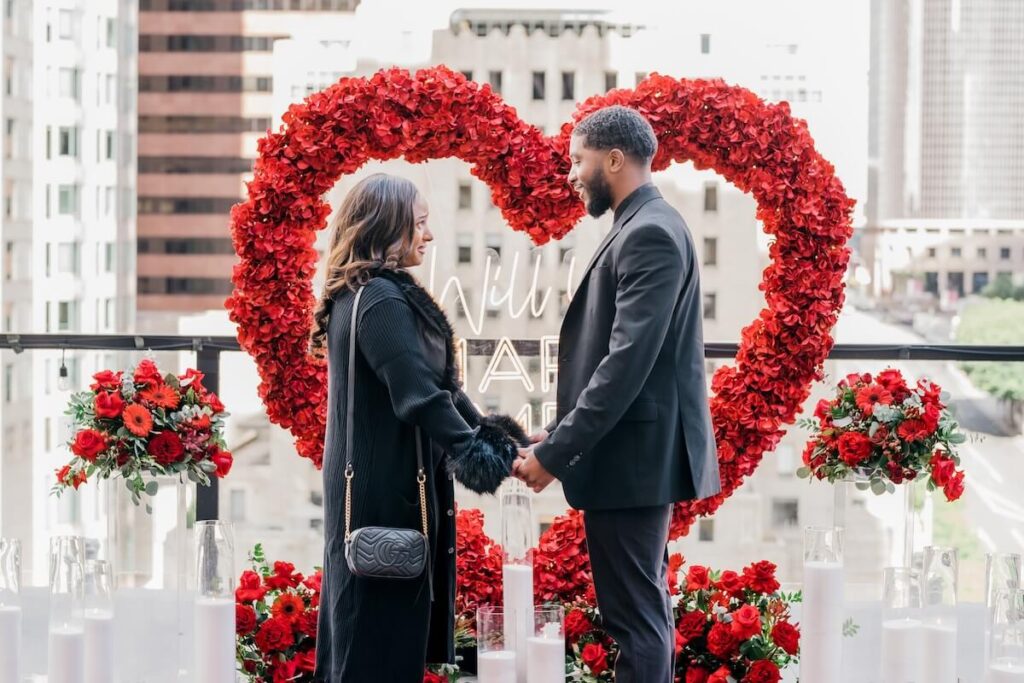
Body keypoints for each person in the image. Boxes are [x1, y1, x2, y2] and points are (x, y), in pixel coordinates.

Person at [514, 106, 721, 682]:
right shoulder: (643, 224)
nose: (572, 174)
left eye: (577, 160)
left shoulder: (650, 231)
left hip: (632, 463)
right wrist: (556, 435)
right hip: (632, 458)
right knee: (642, 611)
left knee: (634, 620)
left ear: (612, 159)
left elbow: (625, 366)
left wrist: (555, 457)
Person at [311, 173, 525, 682]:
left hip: (377, 493)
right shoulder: (381, 300)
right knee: (378, 647)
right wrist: (484, 455)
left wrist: (504, 441)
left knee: (371, 640)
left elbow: (441, 388)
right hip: (385, 499)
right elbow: (419, 396)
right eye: (420, 223)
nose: (429, 236)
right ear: (387, 228)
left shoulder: (364, 294)